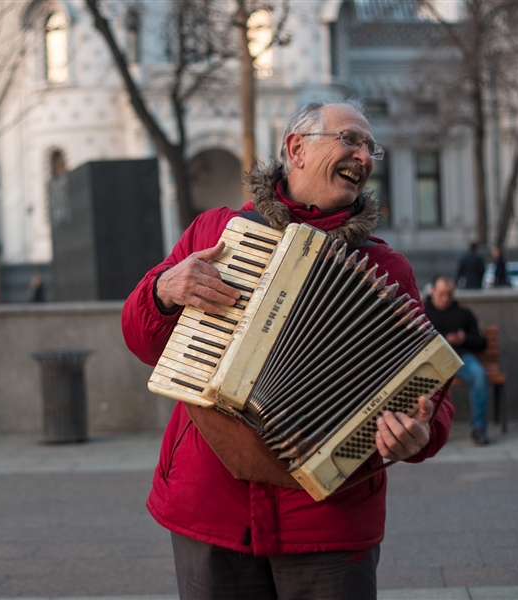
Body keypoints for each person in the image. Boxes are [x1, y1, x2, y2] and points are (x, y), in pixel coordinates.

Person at [122, 100, 455, 599]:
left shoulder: (386, 270)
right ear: (296, 148)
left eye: (370, 146)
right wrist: (163, 290)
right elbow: (142, 341)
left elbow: (431, 390)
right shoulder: (217, 232)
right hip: (212, 508)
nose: (364, 156)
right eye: (350, 139)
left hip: (330, 519)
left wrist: (422, 433)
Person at [423, 275, 489, 445]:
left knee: (479, 376)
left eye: (450, 294)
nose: (446, 298)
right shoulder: (422, 313)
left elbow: (482, 342)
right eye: (442, 294)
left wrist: (464, 338)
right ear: (433, 292)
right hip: (431, 360)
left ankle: (478, 427)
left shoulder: (463, 314)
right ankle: (425, 430)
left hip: (460, 357)